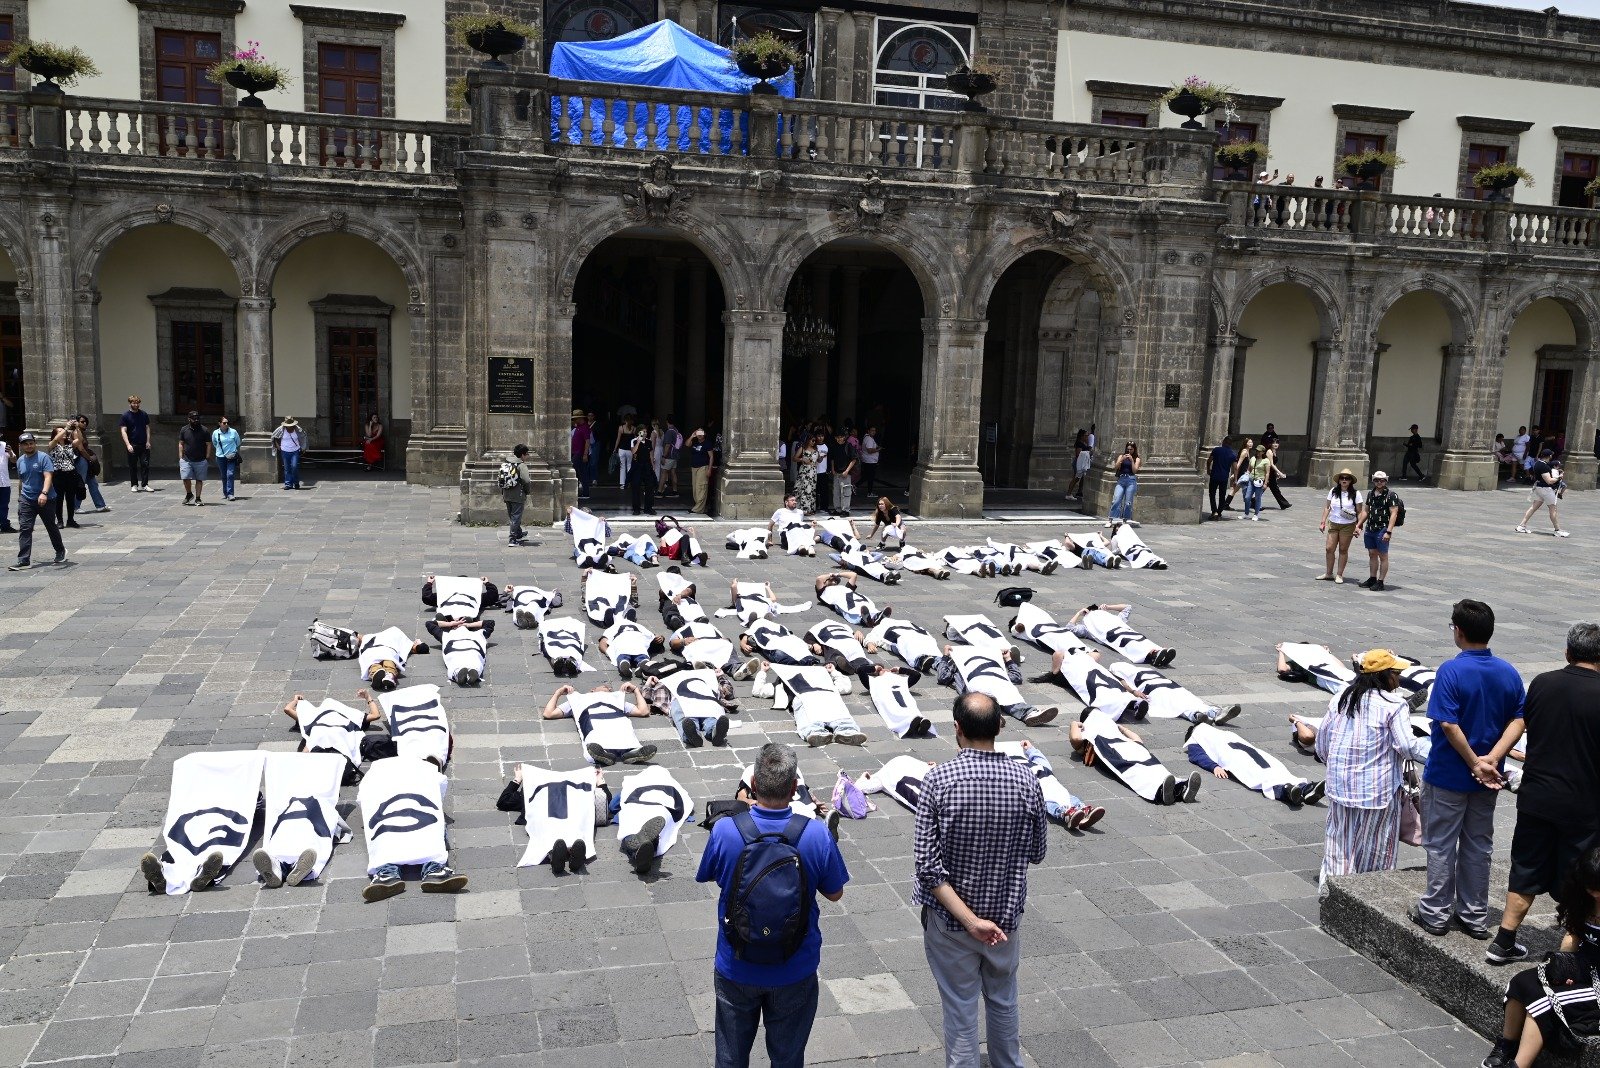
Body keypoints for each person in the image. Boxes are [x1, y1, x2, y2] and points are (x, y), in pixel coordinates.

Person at [913, 693, 1047, 1068]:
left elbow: (927, 866)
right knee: (1003, 1000)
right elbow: (1037, 852)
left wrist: (971, 921)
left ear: (957, 728)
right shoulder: (1026, 779)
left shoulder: (938, 780)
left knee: (960, 1008)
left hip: (952, 923)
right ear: (1000, 726)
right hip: (1005, 919)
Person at [696, 743, 848, 1068]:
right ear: (795, 789)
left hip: (736, 964)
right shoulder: (816, 835)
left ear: (752, 786)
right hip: (795, 966)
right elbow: (835, 894)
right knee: (788, 1058)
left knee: (730, 1058)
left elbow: (710, 875)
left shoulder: (725, 830)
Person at [1486, 622, 1600, 966]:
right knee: (1583, 876)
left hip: (1537, 796)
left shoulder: (1542, 683)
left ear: (1567, 653)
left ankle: (1503, 941)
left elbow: (1529, 726)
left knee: (1526, 866)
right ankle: (1575, 950)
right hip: (1584, 804)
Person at [1413, 600, 1526, 938]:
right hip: (1488, 780)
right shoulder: (1507, 671)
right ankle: (1474, 915)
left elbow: (1448, 724)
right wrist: (1492, 760)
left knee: (1440, 844)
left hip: (1449, 774)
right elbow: (1519, 720)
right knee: (1479, 845)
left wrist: (1475, 762)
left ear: (1458, 631)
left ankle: (1434, 913)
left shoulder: (1450, 670)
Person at [1480, 846, 1600, 1068]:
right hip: (1583, 966)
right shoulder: (1582, 899)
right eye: (1592, 889)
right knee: (1521, 983)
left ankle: (1519, 1065)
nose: (1596, 895)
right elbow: (1572, 936)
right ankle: (1506, 1045)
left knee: (1543, 1001)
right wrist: (1564, 967)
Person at [1317, 649, 1414, 885]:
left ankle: (1332, 897)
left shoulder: (1342, 697)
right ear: (1385, 676)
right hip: (1377, 792)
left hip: (1340, 788)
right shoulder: (1394, 704)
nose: (1399, 679)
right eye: (1396, 673)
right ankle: (1366, 898)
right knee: (1376, 849)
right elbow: (1407, 747)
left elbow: (1322, 744)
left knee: (1338, 845)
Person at [358, 755, 469, 901]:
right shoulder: (425, 770)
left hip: (387, 819)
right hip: (421, 813)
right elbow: (439, 792)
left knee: (385, 837)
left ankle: (386, 875)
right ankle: (434, 870)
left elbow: (364, 802)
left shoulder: (374, 775)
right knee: (431, 827)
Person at [1185, 722, 1325, 806]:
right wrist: (1214, 766)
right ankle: (1295, 790)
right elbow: (1197, 755)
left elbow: (1197, 755)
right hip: (1248, 756)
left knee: (1265, 774)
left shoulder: (1203, 736)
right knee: (1269, 772)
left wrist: (1214, 766)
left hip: (1241, 756)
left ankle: (1298, 790)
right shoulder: (1207, 735)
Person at [542, 682, 658, 766]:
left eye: (610, 689)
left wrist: (636, 690)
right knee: (596, 735)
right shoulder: (578, 699)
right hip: (593, 719)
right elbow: (548, 713)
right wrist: (558, 693)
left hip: (616, 720)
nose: (609, 688)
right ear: (593, 689)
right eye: (605, 686)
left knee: (624, 730)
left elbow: (643, 711)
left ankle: (631, 752)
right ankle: (605, 754)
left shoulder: (616, 699)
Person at [9, 433, 65, 570]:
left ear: (35, 443)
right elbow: (22, 480)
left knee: (50, 526)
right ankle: (23, 560)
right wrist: (20, 496)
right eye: (26, 444)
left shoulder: (43, 457)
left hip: (46, 499)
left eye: (31, 443)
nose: (29, 446)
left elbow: (48, 476)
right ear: (21, 446)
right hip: (27, 499)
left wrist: (44, 493)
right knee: (25, 528)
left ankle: (60, 550)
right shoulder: (20, 460)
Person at [1316, 469, 1364, 583]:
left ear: (1350, 481)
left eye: (1346, 478)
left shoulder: (1356, 494)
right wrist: (1322, 522)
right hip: (1333, 523)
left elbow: (1360, 511)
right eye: (1342, 478)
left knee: (1343, 549)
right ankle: (1328, 573)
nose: (1344, 480)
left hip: (1348, 525)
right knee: (1329, 548)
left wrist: (1359, 525)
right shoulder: (1333, 491)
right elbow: (1327, 507)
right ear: (1339, 480)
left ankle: (1339, 574)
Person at [1360, 471, 1402, 591]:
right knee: (1372, 554)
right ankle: (1372, 578)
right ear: (1373, 481)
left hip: (1382, 528)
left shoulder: (1391, 495)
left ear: (1386, 481)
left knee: (1383, 555)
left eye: (1382, 480)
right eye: (1377, 480)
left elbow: (1394, 513)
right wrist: (1358, 524)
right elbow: (1366, 511)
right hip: (1370, 528)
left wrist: (1388, 532)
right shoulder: (1371, 494)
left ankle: (1381, 581)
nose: (1379, 482)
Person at [1516, 448, 1568, 537]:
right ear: (1549, 456)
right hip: (1546, 489)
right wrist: (1559, 477)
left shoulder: (1537, 463)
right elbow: (1549, 481)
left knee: (1533, 507)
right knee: (1553, 509)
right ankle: (1557, 530)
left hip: (1539, 488)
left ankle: (1521, 525)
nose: (1552, 456)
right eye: (1551, 454)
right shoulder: (1544, 466)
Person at [46, 423, 82, 529]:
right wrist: (65, 427)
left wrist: (77, 428)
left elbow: (80, 440)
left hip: (70, 474)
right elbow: (56, 439)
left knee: (70, 498)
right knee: (59, 499)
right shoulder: (53, 445)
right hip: (58, 475)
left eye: (64, 431)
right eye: (60, 431)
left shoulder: (69, 444)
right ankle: (60, 521)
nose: (64, 433)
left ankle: (70, 520)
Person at [71, 415, 108, 513]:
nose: (85, 423)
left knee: (92, 483)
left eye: (85, 421)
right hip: (81, 460)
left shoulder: (82, 432)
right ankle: (75, 506)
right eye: (82, 421)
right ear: (76, 422)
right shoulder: (76, 432)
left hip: (85, 460)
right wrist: (90, 458)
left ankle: (100, 505)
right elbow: (81, 449)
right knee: (81, 483)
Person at [175, 410, 211, 506]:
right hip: (186, 459)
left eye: (197, 418)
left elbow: (208, 444)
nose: (196, 420)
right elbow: (181, 443)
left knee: (199, 479)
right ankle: (189, 494)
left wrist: (207, 457)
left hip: (201, 459)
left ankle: (198, 498)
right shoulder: (184, 429)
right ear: (189, 419)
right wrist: (180, 456)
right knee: (185, 477)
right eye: (194, 419)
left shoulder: (205, 430)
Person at [119, 394, 152, 492]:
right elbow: (123, 431)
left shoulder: (143, 414)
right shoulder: (125, 416)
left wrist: (148, 441)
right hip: (132, 444)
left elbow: (147, 428)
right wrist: (128, 444)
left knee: (145, 464)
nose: (136, 405)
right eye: (134, 403)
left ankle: (145, 484)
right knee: (133, 465)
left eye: (137, 403)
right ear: (130, 404)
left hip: (143, 444)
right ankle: (134, 484)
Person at [503, 443, 532, 546]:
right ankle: (512, 539)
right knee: (516, 517)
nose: (528, 456)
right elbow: (527, 481)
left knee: (513, 516)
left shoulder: (507, 462)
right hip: (517, 495)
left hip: (506, 493)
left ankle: (518, 533)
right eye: (527, 454)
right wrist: (527, 491)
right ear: (523, 455)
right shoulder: (521, 465)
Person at [1108, 441, 1140, 524]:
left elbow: (1135, 470)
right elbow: (1116, 467)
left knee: (1128, 502)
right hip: (1121, 479)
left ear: (1134, 449)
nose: (1129, 451)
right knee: (1116, 499)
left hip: (1131, 480)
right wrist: (1122, 460)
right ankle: (1112, 519)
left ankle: (1126, 519)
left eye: (1131, 449)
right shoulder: (1121, 456)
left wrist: (1132, 461)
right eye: (1128, 449)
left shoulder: (1137, 459)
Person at [1206, 435, 1237, 519]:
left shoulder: (1216, 450)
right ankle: (1219, 512)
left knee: (1212, 494)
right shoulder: (1233, 454)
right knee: (1222, 495)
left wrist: (1208, 470)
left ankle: (1214, 511)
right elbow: (1235, 467)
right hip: (1224, 477)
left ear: (1223, 442)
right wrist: (1235, 479)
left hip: (1214, 475)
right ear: (1231, 444)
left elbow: (1209, 461)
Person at [211, 416, 241, 502]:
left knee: (230, 474)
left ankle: (230, 493)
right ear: (219, 424)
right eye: (224, 423)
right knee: (224, 475)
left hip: (231, 456)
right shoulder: (216, 433)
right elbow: (214, 443)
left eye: (227, 423)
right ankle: (225, 493)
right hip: (220, 457)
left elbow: (238, 442)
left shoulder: (233, 432)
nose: (226, 424)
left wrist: (232, 450)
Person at [627, 430, 657, 515]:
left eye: (646, 432)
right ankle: (636, 508)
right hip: (637, 466)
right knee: (636, 486)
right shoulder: (634, 441)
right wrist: (639, 441)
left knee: (650, 486)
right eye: (642, 432)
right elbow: (633, 451)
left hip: (647, 466)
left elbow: (651, 454)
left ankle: (648, 508)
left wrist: (653, 466)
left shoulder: (649, 441)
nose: (644, 433)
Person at [829, 428, 857, 517]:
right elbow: (832, 458)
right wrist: (832, 469)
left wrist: (847, 470)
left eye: (841, 437)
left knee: (846, 492)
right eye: (837, 437)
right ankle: (837, 509)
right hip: (836, 472)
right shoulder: (834, 446)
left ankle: (845, 510)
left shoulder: (849, 446)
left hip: (846, 473)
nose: (839, 439)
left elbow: (854, 459)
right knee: (836, 493)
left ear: (844, 437)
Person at [688, 427, 714, 515]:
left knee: (701, 488)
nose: (699, 435)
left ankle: (698, 509)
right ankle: (697, 507)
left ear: (704, 434)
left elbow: (711, 457)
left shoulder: (707, 444)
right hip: (694, 467)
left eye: (701, 433)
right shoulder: (695, 443)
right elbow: (687, 444)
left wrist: (709, 469)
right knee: (695, 488)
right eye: (698, 432)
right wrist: (692, 436)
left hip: (703, 467)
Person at [273, 416, 304, 490]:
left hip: (295, 451)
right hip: (285, 451)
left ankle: (296, 482)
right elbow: (274, 437)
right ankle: (288, 484)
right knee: (287, 468)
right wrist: (278, 447)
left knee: (294, 467)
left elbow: (303, 437)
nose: (289, 427)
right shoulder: (281, 429)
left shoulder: (298, 429)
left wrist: (303, 447)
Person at [571, 408, 594, 499]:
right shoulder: (579, 427)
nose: (574, 420)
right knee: (580, 472)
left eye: (576, 418)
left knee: (580, 472)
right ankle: (584, 492)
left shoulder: (584, 428)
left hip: (580, 453)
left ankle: (585, 492)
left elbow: (587, 441)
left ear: (580, 418)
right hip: (576, 452)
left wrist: (585, 454)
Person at [793, 435, 818, 515]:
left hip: (813, 472)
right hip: (804, 470)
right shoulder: (802, 448)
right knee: (804, 489)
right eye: (812, 440)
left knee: (811, 490)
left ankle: (810, 509)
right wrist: (802, 459)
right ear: (808, 440)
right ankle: (804, 509)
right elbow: (794, 458)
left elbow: (818, 459)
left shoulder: (816, 449)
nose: (813, 442)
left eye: (814, 441)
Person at [1266, 441, 1293, 510]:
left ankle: (1283, 504)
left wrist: (1276, 473)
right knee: (1263, 488)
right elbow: (1271, 464)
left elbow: (1274, 464)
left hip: (1272, 473)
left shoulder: (1274, 451)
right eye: (1274, 443)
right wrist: (1279, 473)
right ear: (1271, 444)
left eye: (1277, 443)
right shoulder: (1269, 451)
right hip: (1267, 472)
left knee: (1275, 489)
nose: (1276, 444)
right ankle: (1252, 501)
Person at [614, 413, 638, 489]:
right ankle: (629, 482)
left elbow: (618, 439)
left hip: (621, 449)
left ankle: (622, 483)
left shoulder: (621, 428)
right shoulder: (634, 428)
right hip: (630, 450)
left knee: (622, 467)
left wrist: (615, 448)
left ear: (624, 420)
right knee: (629, 466)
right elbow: (636, 440)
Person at [1067, 428, 1091, 500]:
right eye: (1086, 435)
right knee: (1076, 478)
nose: (1087, 437)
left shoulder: (1084, 443)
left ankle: (1079, 492)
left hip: (1082, 462)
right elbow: (1078, 454)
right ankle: (1068, 493)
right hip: (1079, 462)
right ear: (1082, 436)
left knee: (1081, 478)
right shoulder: (1079, 443)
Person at [860, 425, 881, 494]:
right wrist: (878, 449)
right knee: (870, 477)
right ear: (868, 431)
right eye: (872, 430)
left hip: (868, 460)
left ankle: (855, 486)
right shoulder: (869, 439)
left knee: (867, 476)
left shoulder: (868, 438)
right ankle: (869, 492)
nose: (874, 432)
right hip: (870, 461)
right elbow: (869, 450)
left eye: (874, 430)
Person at [0, 438, 13, 533]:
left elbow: (14, 460)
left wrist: (11, 453)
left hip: (4, 481)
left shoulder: (4, 445)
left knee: (4, 505)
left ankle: (4, 525)